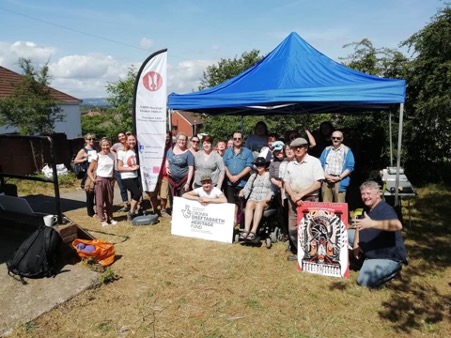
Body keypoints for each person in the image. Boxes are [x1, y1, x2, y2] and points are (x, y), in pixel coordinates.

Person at [349, 181, 407, 288]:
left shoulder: (386, 209)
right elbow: (359, 225)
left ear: (378, 194)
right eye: (363, 194)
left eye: (368, 193)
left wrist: (372, 223)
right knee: (346, 234)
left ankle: (394, 270)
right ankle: (361, 258)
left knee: (363, 281)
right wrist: (356, 245)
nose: (365, 197)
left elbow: (397, 225)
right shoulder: (368, 207)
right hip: (373, 247)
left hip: (388, 257)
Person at [283, 137, 325, 259]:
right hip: (293, 200)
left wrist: (300, 195)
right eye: (295, 148)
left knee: (310, 227)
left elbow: (318, 183)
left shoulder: (314, 162)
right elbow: (286, 183)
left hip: (310, 199)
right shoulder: (290, 164)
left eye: (300, 147)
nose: (297, 149)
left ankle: (311, 253)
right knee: (293, 228)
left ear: (306, 148)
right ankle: (300, 252)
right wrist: (293, 196)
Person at [238, 157, 274, 241]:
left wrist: (271, 194)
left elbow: (274, 188)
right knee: (249, 203)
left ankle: (253, 231)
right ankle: (246, 230)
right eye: (257, 165)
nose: (259, 166)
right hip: (254, 198)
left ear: (265, 165)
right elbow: (247, 187)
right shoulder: (253, 176)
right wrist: (242, 192)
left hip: (265, 199)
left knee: (260, 205)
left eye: (261, 164)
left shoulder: (269, 175)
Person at [223, 131, 254, 223]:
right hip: (229, 183)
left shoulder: (248, 152)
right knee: (231, 204)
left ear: (242, 140)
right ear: (232, 140)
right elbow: (224, 165)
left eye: (239, 138)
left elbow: (249, 167)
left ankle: (241, 223)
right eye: (235, 138)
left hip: (243, 183)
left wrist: (237, 177)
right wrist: (229, 176)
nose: (237, 140)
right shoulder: (227, 152)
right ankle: (233, 222)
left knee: (241, 204)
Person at [87, 138, 117, 226]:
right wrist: (94, 180)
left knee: (110, 201)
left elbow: (113, 169)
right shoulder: (97, 156)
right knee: (100, 202)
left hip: (110, 180)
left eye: (107, 145)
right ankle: (102, 220)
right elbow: (89, 170)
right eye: (103, 145)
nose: (105, 147)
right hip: (100, 180)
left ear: (110, 145)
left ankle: (110, 218)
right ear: (100, 146)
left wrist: (113, 178)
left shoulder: (112, 156)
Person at [319, 130, 355, 203]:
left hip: (340, 181)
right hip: (326, 180)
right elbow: (319, 164)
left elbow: (350, 167)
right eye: (334, 138)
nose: (336, 140)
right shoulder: (326, 150)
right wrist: (326, 176)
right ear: (331, 138)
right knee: (326, 205)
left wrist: (338, 177)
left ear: (342, 139)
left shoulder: (347, 150)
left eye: (338, 138)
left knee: (340, 205)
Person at [166, 132, 194, 210]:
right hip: (172, 180)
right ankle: (174, 215)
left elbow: (191, 168)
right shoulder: (170, 150)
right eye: (180, 139)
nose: (181, 142)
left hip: (183, 181)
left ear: (186, 141)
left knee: (183, 199)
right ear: (177, 139)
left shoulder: (188, 154)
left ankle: (183, 217)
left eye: (184, 140)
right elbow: (167, 160)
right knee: (172, 198)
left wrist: (188, 183)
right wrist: (167, 167)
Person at [146, 131, 172, 217]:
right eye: (165, 136)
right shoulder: (155, 147)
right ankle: (155, 210)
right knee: (152, 194)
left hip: (164, 174)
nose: (166, 138)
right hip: (154, 175)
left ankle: (163, 210)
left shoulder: (171, 148)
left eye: (168, 137)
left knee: (164, 194)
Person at [117, 133, 141, 221]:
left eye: (133, 140)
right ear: (126, 141)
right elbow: (119, 167)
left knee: (135, 195)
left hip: (135, 176)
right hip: (126, 177)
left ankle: (134, 211)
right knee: (138, 193)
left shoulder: (136, 151)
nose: (131, 142)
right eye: (130, 140)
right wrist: (131, 168)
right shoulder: (121, 152)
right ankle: (131, 212)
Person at [73, 133, 97, 217]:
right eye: (89, 139)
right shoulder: (83, 150)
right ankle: (91, 212)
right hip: (88, 174)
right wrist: (84, 159)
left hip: (96, 172)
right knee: (89, 193)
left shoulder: (96, 148)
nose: (92, 141)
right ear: (86, 140)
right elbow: (75, 161)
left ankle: (98, 210)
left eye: (93, 139)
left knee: (97, 192)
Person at [110, 132, 130, 212]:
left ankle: (134, 203)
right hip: (118, 170)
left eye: (122, 136)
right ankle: (125, 204)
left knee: (131, 187)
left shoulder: (129, 144)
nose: (121, 137)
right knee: (122, 188)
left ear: (125, 136)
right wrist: (115, 155)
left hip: (127, 169)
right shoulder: (116, 145)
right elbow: (110, 149)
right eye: (119, 137)